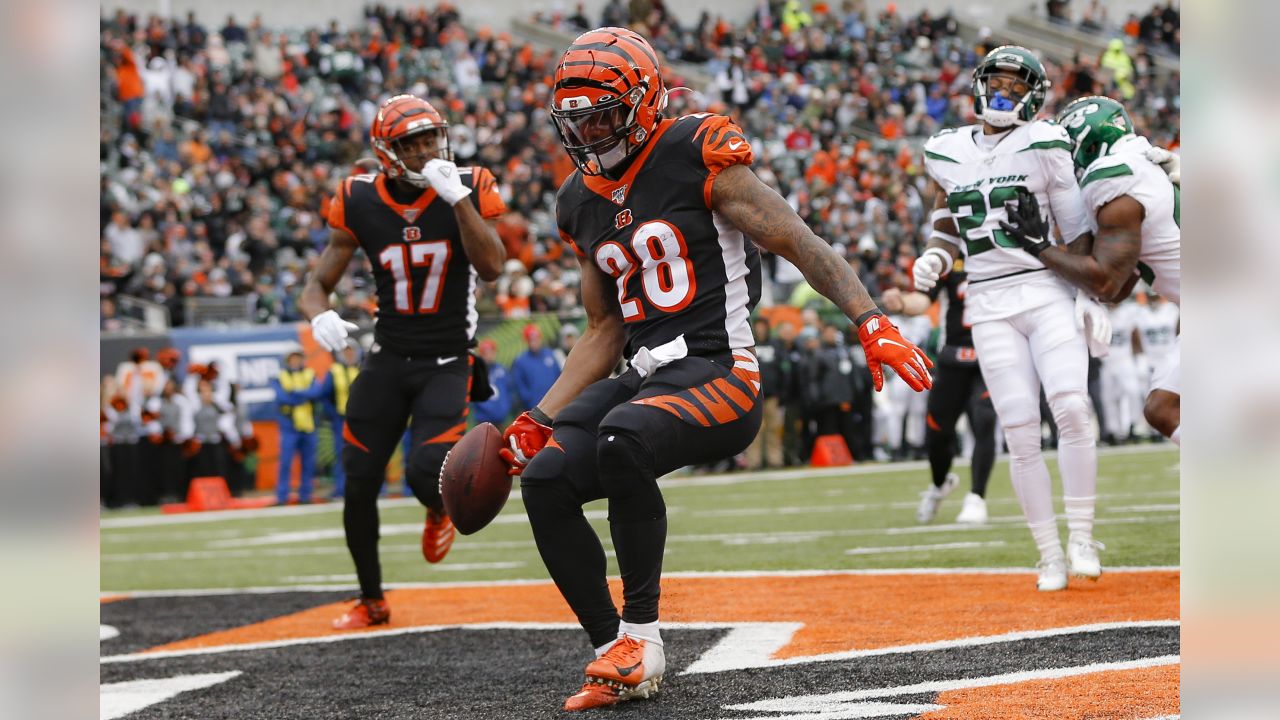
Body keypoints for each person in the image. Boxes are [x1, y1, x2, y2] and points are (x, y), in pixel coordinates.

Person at [500, 27, 932, 712]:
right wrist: (539, 417)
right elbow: (603, 328)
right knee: (547, 474)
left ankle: (644, 634)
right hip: (643, 374)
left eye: (603, 114)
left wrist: (870, 318)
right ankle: (613, 645)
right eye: (577, 119)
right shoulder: (577, 202)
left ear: (645, 103)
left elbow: (795, 237)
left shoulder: (694, 151)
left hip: (718, 369)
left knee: (621, 437)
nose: (589, 132)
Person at [299, 93, 506, 629]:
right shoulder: (359, 198)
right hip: (388, 356)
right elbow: (316, 284)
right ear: (387, 153)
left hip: (446, 360)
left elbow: (492, 268)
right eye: (411, 145)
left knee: (422, 473)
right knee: (359, 479)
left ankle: (438, 507)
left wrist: (457, 199)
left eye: (430, 139)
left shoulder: (469, 184)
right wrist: (318, 315)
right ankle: (371, 600)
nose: (425, 151)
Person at [914, 46, 1110, 592]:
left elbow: (1075, 231)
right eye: (997, 82)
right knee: (1020, 428)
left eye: (1016, 87)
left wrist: (1089, 294)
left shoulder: (1046, 143)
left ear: (1036, 97)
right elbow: (946, 213)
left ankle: (1083, 536)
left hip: (1045, 289)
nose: (1004, 94)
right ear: (977, 86)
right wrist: (936, 252)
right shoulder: (946, 150)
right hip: (987, 300)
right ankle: (1048, 553)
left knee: (1071, 406)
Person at [1000, 95, 1180, 445]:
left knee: (1172, 410)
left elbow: (1108, 283)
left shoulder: (1112, 175)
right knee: (1164, 409)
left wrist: (1040, 247)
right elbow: (1120, 287)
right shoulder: (1142, 165)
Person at [883, 261, 998, 525]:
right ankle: (939, 484)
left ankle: (976, 497)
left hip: (990, 357)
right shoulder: (949, 254)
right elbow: (923, 300)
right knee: (936, 432)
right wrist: (902, 302)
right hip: (953, 361)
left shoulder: (1000, 248)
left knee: (984, 419)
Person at [271, 345, 323, 505]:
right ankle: (282, 497)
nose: (295, 361)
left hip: (308, 424)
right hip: (289, 425)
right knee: (286, 462)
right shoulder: (279, 376)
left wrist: (295, 392)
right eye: (292, 358)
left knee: (308, 462)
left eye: (298, 358)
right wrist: (304, 395)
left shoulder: (310, 374)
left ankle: (305, 495)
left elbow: (316, 393)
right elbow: (282, 398)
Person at [319, 341, 362, 499]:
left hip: (364, 419)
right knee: (342, 454)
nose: (349, 355)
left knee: (369, 453)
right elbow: (324, 395)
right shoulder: (334, 371)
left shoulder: (364, 368)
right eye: (346, 352)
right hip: (342, 419)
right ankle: (341, 489)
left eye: (351, 352)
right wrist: (333, 413)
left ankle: (374, 487)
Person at [744, 318, 784, 470]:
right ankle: (754, 462)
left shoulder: (775, 345)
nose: (761, 330)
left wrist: (782, 392)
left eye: (763, 327)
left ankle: (775, 460)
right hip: (753, 395)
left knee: (774, 428)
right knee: (755, 430)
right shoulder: (748, 345)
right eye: (758, 327)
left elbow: (782, 370)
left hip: (772, 395)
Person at [511, 324, 562, 412]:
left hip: (554, 404)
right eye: (531, 340)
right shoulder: (521, 360)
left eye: (536, 338)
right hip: (534, 408)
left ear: (540, 338)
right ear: (527, 341)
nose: (534, 342)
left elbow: (558, 376)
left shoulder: (550, 354)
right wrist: (529, 400)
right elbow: (519, 384)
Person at [471, 338, 512, 427]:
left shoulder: (502, 370)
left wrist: (505, 408)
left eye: (491, 352)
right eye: (486, 353)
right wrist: (488, 409)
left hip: (501, 419)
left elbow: (509, 391)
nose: (489, 356)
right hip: (483, 420)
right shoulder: (476, 373)